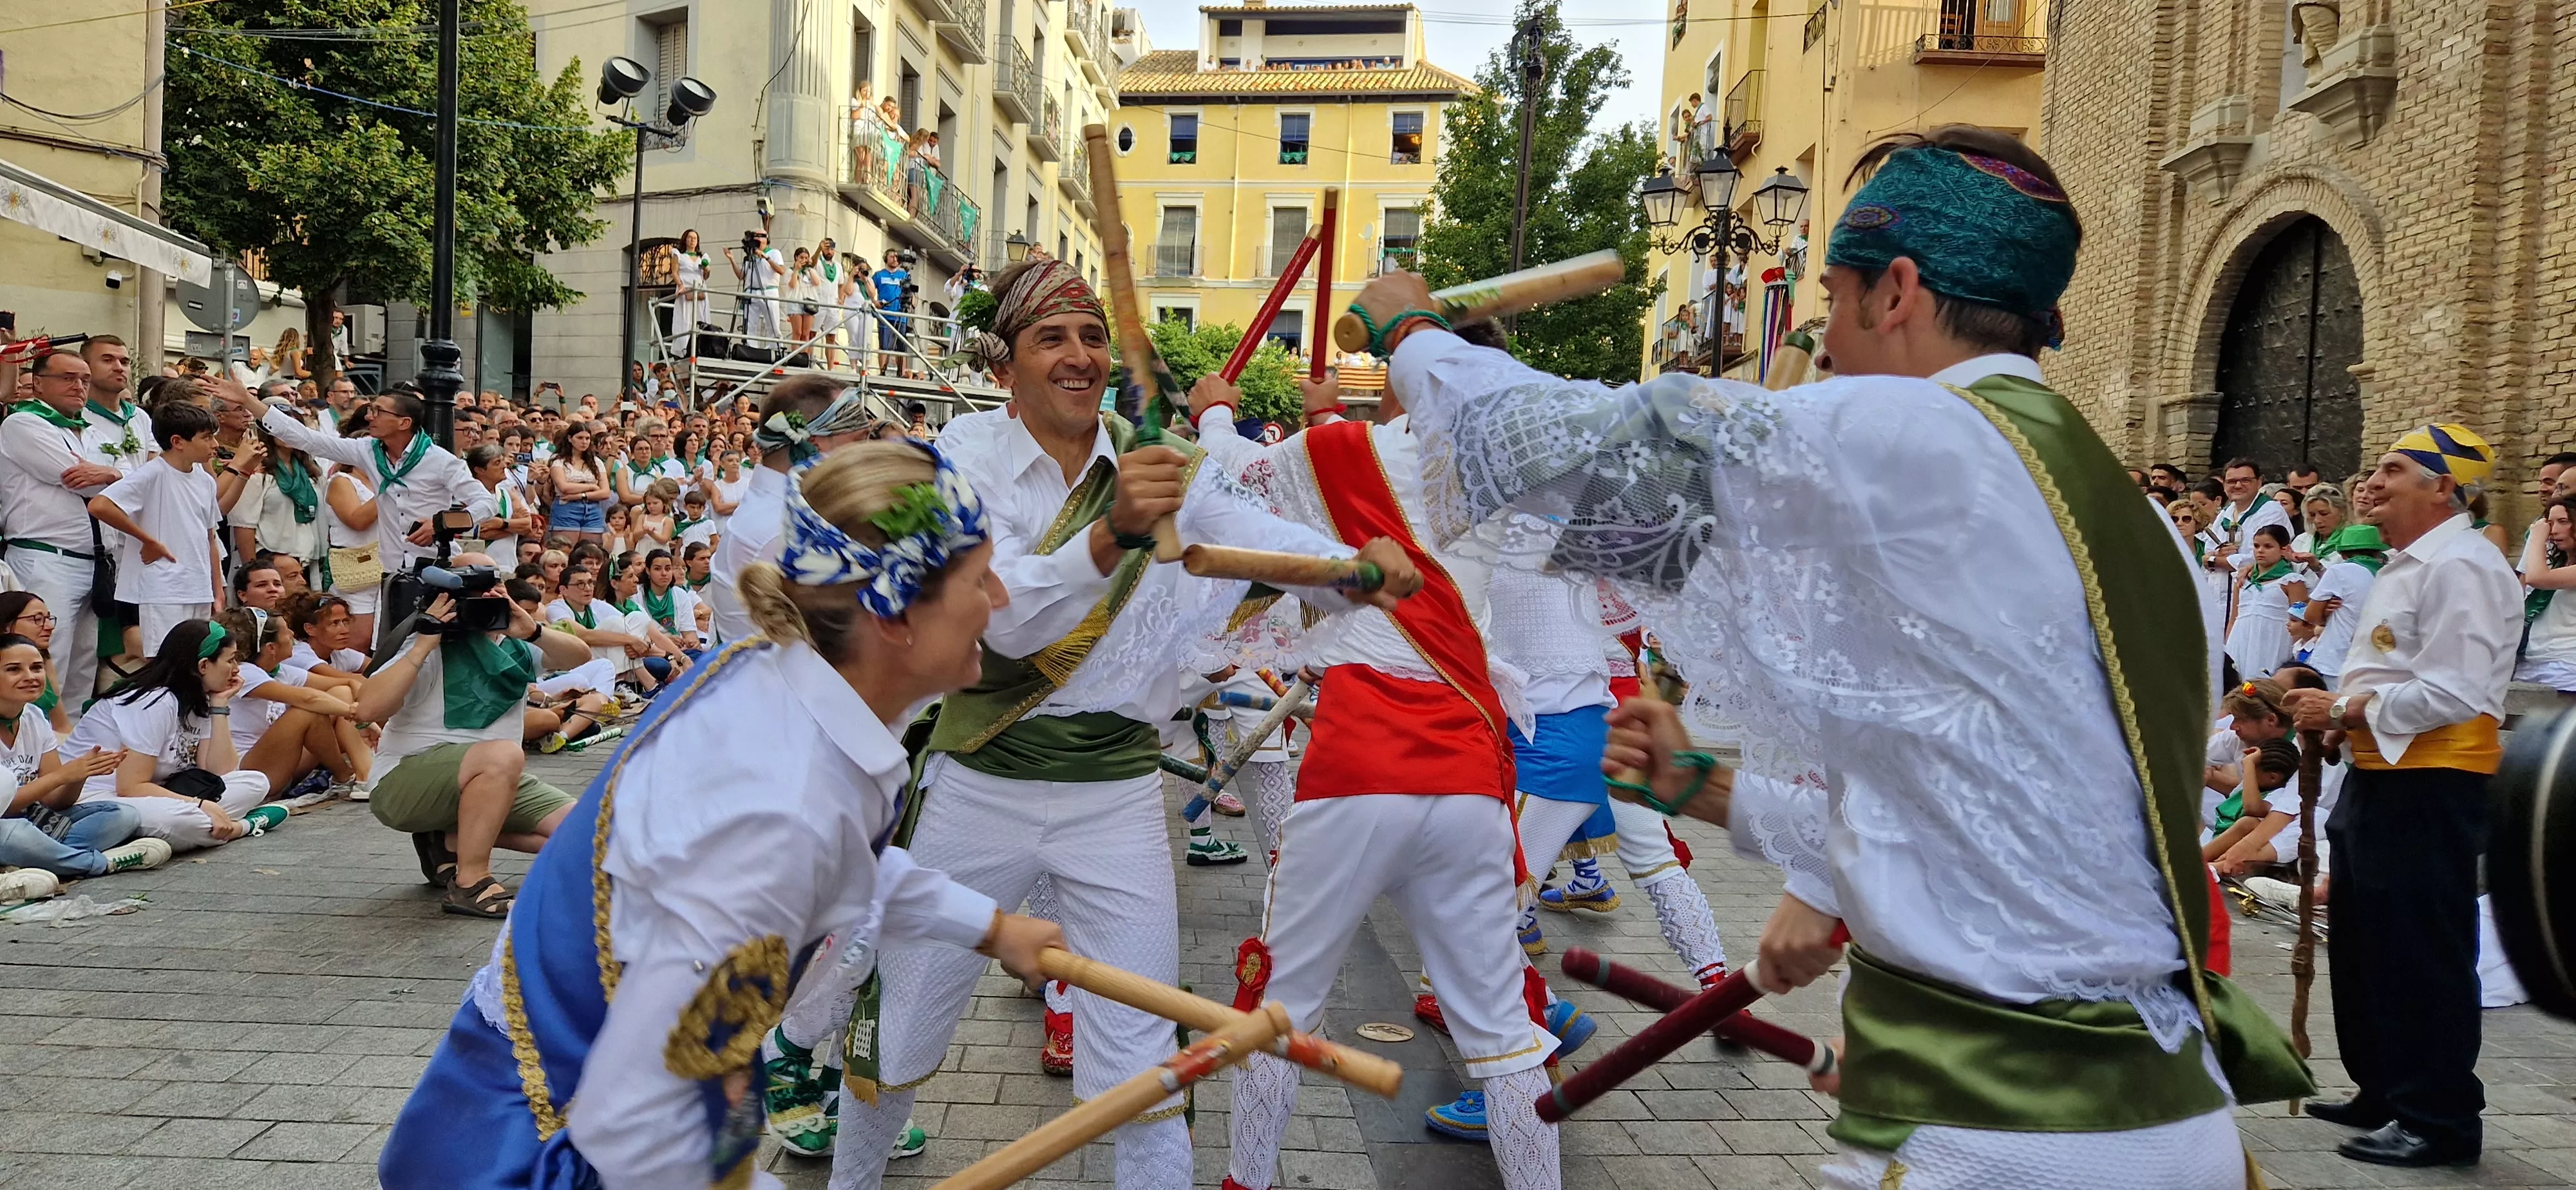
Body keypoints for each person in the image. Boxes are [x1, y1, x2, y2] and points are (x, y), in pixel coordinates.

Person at [1372, 125, 2312, 1188]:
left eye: (1832, 298)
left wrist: (1414, 339)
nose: (1822, 342)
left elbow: (1589, 455)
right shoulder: (2133, 527)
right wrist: (1715, 794)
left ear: (1898, 289)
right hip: (2162, 1116)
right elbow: (1977, 801)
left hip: (2007, 1133)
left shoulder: (1918, 433)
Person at [831, 258, 1414, 1190]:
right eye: (1050, 338)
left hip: (1117, 794)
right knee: (899, 1026)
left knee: (1146, 1063)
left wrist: (1355, 566)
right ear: (1006, 366)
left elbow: (1257, 538)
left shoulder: (1161, 465)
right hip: (983, 777)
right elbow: (999, 611)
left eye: (1093, 337)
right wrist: (1111, 538)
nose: (1078, 356)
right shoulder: (957, 460)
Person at [378, 442, 1068, 1190]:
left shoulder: (764, 674)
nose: (999, 599)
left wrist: (992, 927)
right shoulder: (781, 809)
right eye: (978, 577)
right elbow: (644, 1134)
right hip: (531, 1156)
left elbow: (837, 857)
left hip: (529, 1119)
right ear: (895, 615)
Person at [2279, 424, 2518, 1168]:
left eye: (2392, 469)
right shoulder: (2404, 564)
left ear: (2443, 486)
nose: (2371, 481)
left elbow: (2455, 691)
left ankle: (2438, 1115)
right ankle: (2383, 1087)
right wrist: (2337, 718)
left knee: (2420, 949)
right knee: (2363, 940)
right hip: (2380, 775)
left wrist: (2345, 713)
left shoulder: (2464, 567)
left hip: (2432, 782)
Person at [356, 578, 592, 918]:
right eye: (471, 593)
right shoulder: (428, 645)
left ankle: (455, 839)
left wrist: (533, 631)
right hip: (404, 781)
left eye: (492, 587)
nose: (484, 598)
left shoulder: (516, 641)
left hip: (492, 780)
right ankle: (471, 883)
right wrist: (424, 641)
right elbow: (367, 710)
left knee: (596, 839)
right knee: (505, 754)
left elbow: (579, 656)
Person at [254, 385, 493, 634]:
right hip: (392, 578)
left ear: (404, 423)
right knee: (393, 652)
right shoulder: (368, 450)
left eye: (378, 411)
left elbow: (487, 503)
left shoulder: (440, 461)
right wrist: (250, 401)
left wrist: (439, 524)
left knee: (431, 651)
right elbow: (307, 439)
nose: (369, 416)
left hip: (435, 573)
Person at [62, 618, 284, 853]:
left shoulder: (201, 697)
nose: (237, 669)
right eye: (230, 660)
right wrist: (200, 805)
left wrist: (219, 706)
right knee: (185, 821)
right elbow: (130, 787)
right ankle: (244, 826)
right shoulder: (155, 700)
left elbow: (221, 773)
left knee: (256, 782)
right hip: (100, 797)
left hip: (159, 791)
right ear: (203, 666)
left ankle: (187, 833)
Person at [705, 375, 886, 643]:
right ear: (814, 444)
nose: (868, 455)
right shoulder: (780, 529)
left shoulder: (781, 512)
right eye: (860, 441)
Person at [1, 351, 124, 710]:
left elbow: (133, 485)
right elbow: (77, 479)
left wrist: (113, 474)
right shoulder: (24, 424)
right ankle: (35, 751)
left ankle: (70, 747)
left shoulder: (94, 430)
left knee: (83, 665)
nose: (79, 386)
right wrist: (115, 477)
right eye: (68, 378)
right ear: (38, 383)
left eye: (85, 379)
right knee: (43, 658)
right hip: (47, 557)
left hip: (95, 561)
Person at [0, 632, 157, 889]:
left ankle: (43, 860)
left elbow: (55, 801)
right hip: (8, 827)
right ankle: (99, 864)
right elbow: (4, 806)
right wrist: (62, 775)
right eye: (14, 669)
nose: (30, 677)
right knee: (11, 833)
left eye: (37, 667)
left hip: (35, 822)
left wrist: (80, 774)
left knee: (123, 815)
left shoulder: (35, 717)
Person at [86, 402, 229, 657]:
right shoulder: (152, 474)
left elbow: (210, 537)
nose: (215, 445)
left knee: (198, 660)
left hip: (197, 586)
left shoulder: (205, 480)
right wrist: (147, 540)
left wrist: (217, 591)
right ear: (178, 441)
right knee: (164, 661)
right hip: (164, 588)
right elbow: (100, 505)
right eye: (207, 438)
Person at [213, 609, 371, 804]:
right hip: (249, 773)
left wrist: (358, 695)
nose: (293, 635)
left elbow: (344, 685)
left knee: (341, 694)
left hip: (282, 764)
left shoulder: (282, 671)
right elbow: (308, 699)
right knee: (307, 712)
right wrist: (357, 714)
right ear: (271, 647)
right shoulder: (245, 673)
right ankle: (346, 775)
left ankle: (364, 775)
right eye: (286, 631)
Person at [2222, 524, 2301, 679]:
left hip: (2273, 641)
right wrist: (2226, 650)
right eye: (2257, 546)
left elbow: (2300, 622)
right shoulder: (2243, 579)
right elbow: (2234, 618)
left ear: (2284, 549)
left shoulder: (2291, 581)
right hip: (2241, 640)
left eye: (2268, 546)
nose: (2260, 551)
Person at [548, 420, 614, 547]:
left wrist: (580, 495)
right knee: (566, 549)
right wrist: (592, 487)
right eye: (580, 438)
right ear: (569, 438)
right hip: (567, 508)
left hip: (593, 509)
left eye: (587, 438)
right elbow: (564, 487)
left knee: (590, 551)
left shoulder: (596, 462)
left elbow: (605, 492)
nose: (584, 442)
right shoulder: (559, 460)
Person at [466, 444, 534, 565]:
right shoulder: (468, 497)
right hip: (481, 568)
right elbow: (481, 533)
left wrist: (501, 523)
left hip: (509, 566)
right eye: (497, 463)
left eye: (503, 461)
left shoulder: (509, 494)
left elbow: (528, 526)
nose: (504, 466)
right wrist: (514, 526)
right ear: (480, 470)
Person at [726, 223, 787, 345]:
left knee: (773, 325)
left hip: (769, 291)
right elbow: (742, 276)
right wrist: (732, 259)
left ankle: (774, 351)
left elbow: (781, 271)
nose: (758, 240)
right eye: (756, 238)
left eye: (762, 237)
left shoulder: (774, 253)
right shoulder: (750, 256)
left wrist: (766, 258)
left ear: (767, 240)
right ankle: (750, 349)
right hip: (751, 292)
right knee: (749, 326)